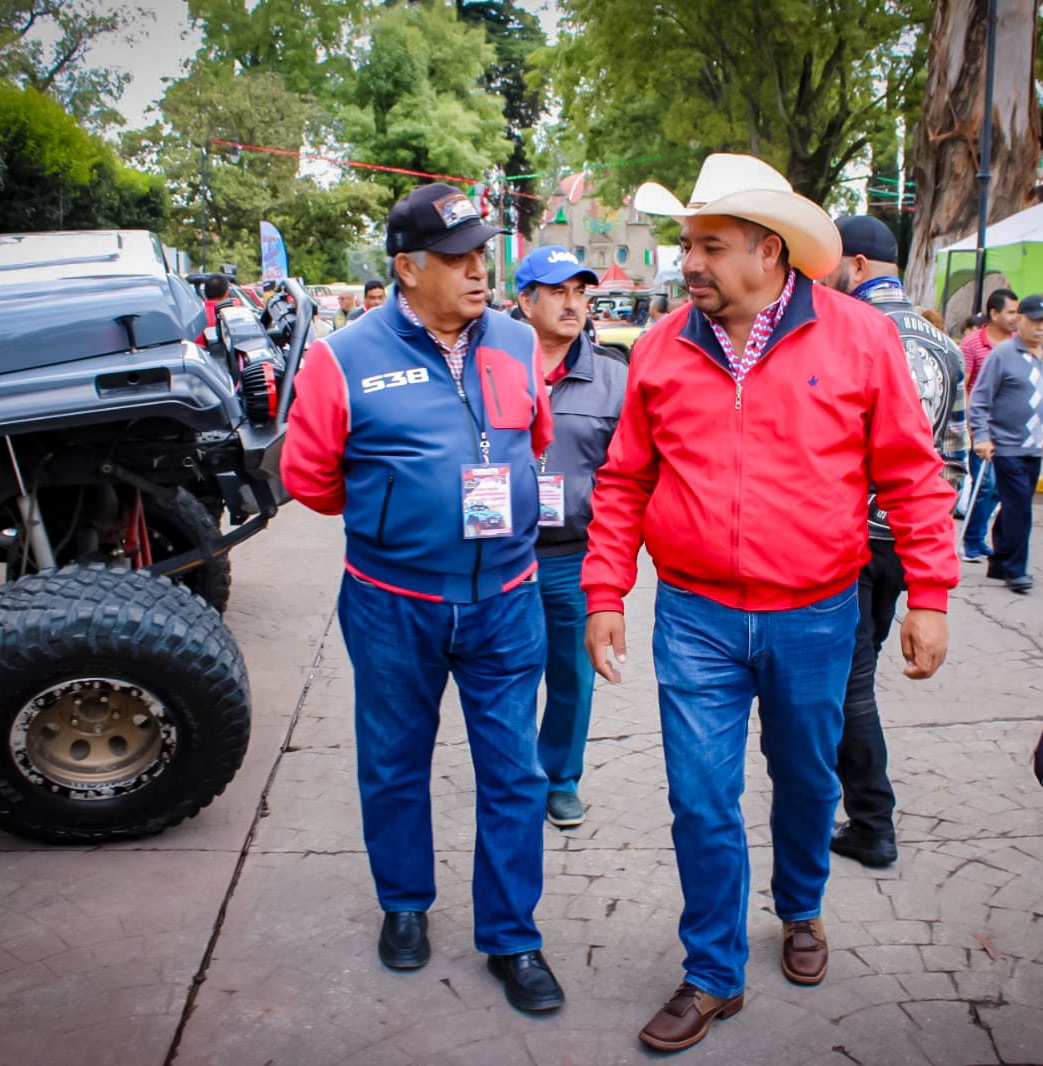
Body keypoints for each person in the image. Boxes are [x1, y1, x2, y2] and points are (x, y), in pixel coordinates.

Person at [581, 154, 957, 1052]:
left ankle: (800, 908)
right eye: (688, 245)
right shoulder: (663, 346)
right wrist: (605, 590)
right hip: (696, 615)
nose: (690, 263)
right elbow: (626, 479)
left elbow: (911, 476)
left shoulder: (860, 339)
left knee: (806, 778)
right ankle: (712, 971)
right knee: (700, 796)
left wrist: (930, 594)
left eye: (710, 245)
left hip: (818, 612)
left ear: (769, 249)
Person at [279, 182, 567, 1015]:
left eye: (482, 255)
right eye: (456, 259)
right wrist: (396, 516)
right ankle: (404, 902)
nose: (479, 271)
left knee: (514, 770)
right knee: (394, 758)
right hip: (390, 599)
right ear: (406, 269)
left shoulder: (516, 341)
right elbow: (310, 478)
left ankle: (512, 938)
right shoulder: (343, 357)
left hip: (506, 597)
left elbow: (534, 438)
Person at [824, 215, 966, 871]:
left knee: (847, 685)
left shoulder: (847, 333)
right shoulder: (945, 345)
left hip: (848, 537)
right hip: (905, 542)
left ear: (852, 265)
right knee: (856, 674)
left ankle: (870, 820)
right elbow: (952, 462)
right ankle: (849, 805)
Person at [513, 245, 627, 829]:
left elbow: (627, 474)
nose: (572, 303)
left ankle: (560, 777)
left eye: (580, 292)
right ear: (524, 300)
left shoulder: (612, 377)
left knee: (572, 677)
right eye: (557, 291)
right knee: (504, 675)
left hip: (572, 558)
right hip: (500, 554)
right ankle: (512, 776)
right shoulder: (492, 365)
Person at [968, 292, 1043, 594]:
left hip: (1034, 446)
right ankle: (1016, 569)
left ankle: (999, 561)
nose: (1040, 328)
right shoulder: (1003, 354)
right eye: (1035, 321)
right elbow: (980, 398)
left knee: (1012, 504)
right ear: (1020, 321)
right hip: (1006, 445)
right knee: (1020, 507)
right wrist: (982, 436)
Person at [960, 289, 1019, 564]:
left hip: (1007, 431)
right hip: (981, 430)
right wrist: (973, 427)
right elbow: (965, 386)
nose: (1015, 318)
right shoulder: (972, 344)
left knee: (997, 489)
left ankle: (978, 536)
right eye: (1010, 312)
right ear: (994, 314)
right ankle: (970, 541)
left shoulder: (1017, 344)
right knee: (984, 484)